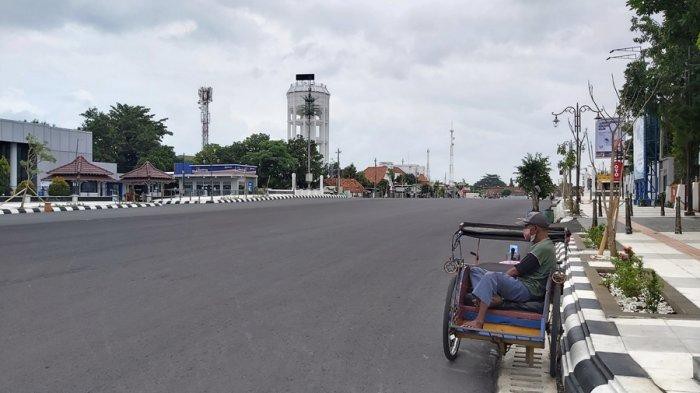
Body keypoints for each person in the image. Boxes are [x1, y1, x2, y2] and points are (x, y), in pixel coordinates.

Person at [463, 211, 557, 329]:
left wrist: (499, 282)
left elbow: (515, 271)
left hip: (528, 289)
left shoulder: (543, 248)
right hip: (522, 285)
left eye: (526, 227)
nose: (524, 230)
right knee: (475, 271)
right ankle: (490, 298)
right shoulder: (541, 245)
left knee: (491, 276)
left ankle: (479, 321)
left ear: (534, 229)